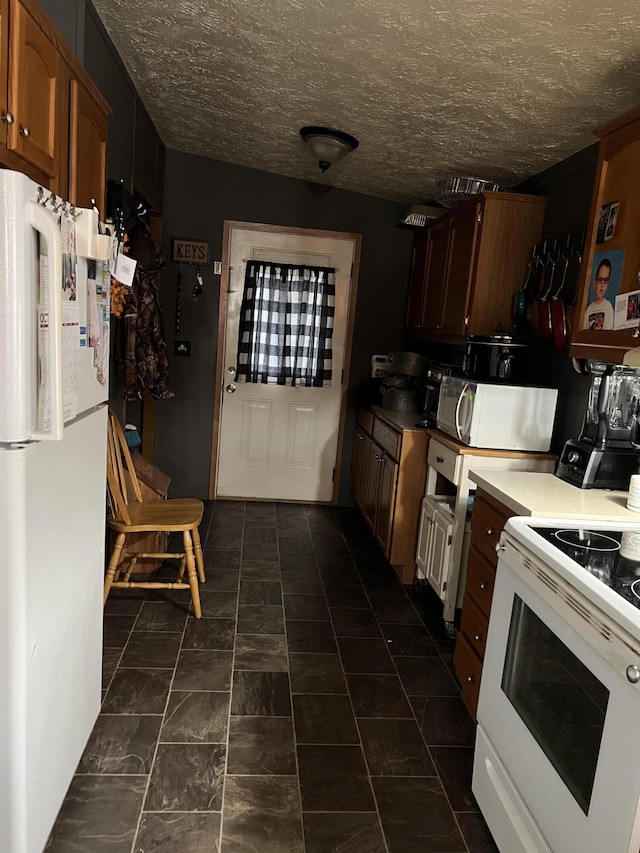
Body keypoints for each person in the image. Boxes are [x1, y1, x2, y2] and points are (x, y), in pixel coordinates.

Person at [583, 259, 614, 330]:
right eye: (600, 280)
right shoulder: (589, 309)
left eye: (605, 281)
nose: (602, 285)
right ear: (595, 283)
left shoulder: (608, 307)